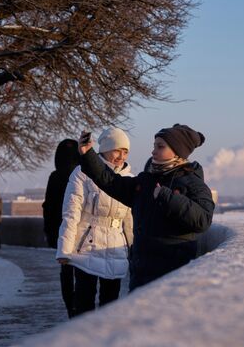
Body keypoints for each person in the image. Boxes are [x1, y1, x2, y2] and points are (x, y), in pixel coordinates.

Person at [77, 124, 214, 291]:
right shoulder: (146, 181)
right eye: (154, 146)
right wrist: (88, 154)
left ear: (177, 151)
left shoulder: (193, 183)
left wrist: (167, 197)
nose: (153, 151)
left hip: (173, 276)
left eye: (160, 146)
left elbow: (203, 220)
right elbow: (112, 182)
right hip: (141, 273)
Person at [56, 127, 134, 316]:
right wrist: (65, 250)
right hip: (86, 248)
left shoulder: (129, 179)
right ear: (105, 149)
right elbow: (71, 213)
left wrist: (133, 249)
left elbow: (129, 220)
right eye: (117, 150)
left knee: (110, 306)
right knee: (84, 304)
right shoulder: (82, 173)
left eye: (125, 152)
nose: (121, 156)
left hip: (115, 249)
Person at [42, 138, 80, 318]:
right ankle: (81, 306)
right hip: (81, 230)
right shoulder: (83, 174)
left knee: (66, 271)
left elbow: (48, 207)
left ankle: (70, 306)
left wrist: (49, 232)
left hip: (60, 231)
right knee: (83, 271)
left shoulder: (55, 176)